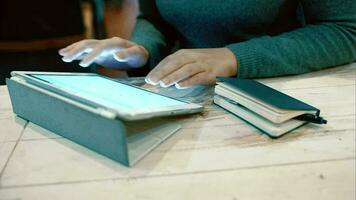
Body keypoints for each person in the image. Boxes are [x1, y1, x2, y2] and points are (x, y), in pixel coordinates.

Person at [59, 0, 356, 89]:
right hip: (189, 91)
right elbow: (155, 17)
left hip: (283, 91)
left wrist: (232, 58)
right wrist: (140, 50)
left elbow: (346, 30)